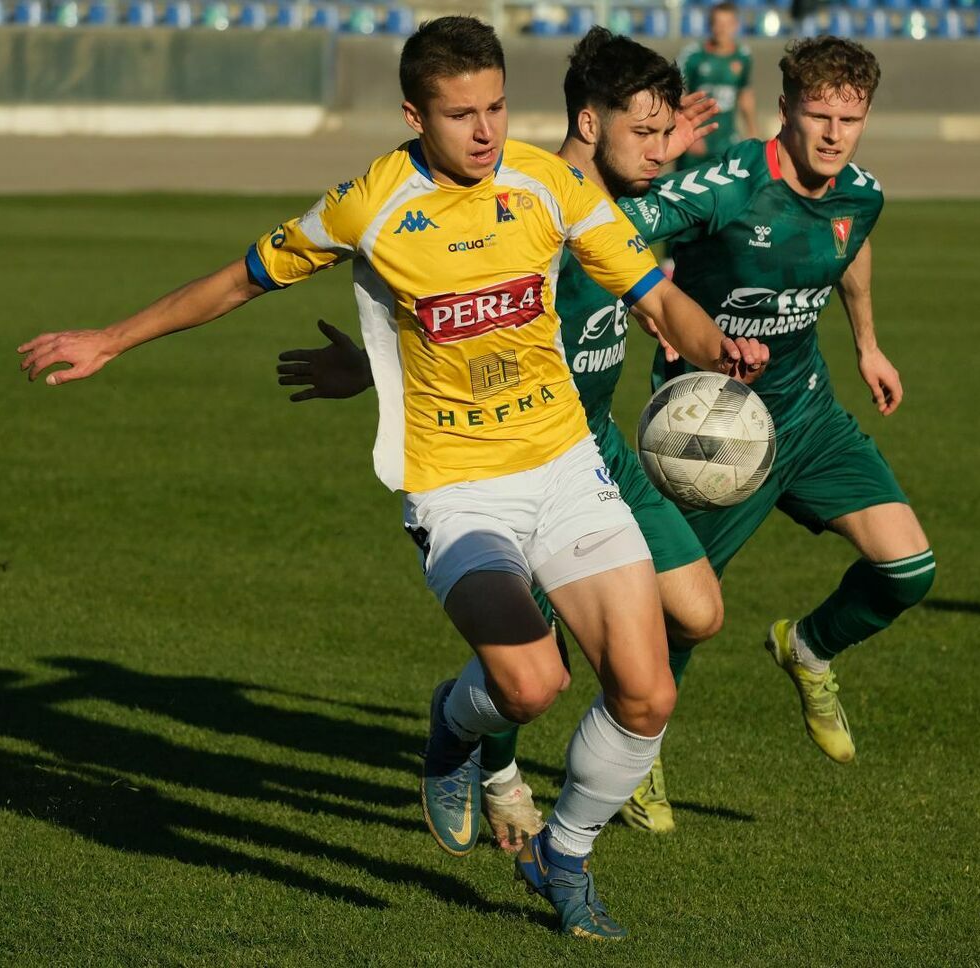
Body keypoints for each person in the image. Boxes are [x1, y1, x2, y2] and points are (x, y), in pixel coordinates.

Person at [17, 16, 767, 941]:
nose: (486, 131)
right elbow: (243, 280)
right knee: (530, 686)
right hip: (458, 488)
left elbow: (654, 294)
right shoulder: (369, 204)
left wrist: (715, 350)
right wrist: (111, 337)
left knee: (648, 693)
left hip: (566, 465)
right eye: (462, 115)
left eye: (496, 106)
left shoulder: (550, 185)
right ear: (415, 114)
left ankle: (563, 858)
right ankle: (453, 733)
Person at [275, 28, 731, 842]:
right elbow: (464, 332)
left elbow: (638, 283)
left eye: (670, 136)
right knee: (530, 674)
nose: (664, 151)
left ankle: (623, 748)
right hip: (478, 468)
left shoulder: (595, 209)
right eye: (646, 132)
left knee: (693, 617)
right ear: (591, 125)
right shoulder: (524, 208)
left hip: (586, 452)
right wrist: (379, 369)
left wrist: (714, 347)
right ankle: (499, 763)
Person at [621, 36, 936, 774]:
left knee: (908, 570)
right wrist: (654, 307)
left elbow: (850, 244)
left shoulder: (861, 193)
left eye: (849, 119)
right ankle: (636, 760)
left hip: (807, 411)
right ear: (786, 109)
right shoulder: (726, 187)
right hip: (712, 424)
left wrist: (867, 345)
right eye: (818, 115)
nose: (833, 134)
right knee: (683, 617)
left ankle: (809, 648)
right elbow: (612, 234)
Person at [679, 2, 758, 166]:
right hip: (695, 140)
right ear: (710, 25)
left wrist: (752, 132)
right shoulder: (693, 55)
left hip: (726, 142)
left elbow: (745, 96)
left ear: (736, 25)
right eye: (717, 23)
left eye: (727, 24)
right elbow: (680, 97)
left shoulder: (743, 57)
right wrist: (688, 131)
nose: (722, 29)